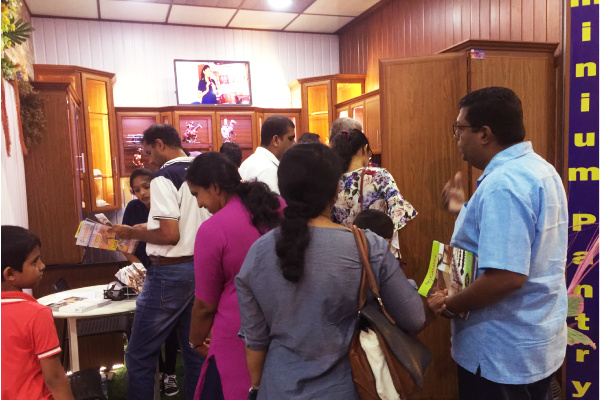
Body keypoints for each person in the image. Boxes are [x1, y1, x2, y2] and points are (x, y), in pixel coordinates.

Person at [235, 143, 426, 399]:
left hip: (278, 386)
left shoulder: (256, 254)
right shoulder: (368, 247)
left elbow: (255, 342)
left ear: (284, 190)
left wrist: (256, 389)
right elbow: (415, 317)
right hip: (349, 387)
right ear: (336, 190)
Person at [430, 87, 568, 400]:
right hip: (534, 341)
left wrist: (450, 304)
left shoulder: (503, 185)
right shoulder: (542, 170)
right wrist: (463, 209)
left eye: (459, 129)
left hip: (501, 355)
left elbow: (507, 277)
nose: (456, 137)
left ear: (484, 134)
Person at [109, 124, 211, 400]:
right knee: (195, 349)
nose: (148, 160)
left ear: (160, 144)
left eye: (148, 152)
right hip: (201, 269)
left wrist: (132, 231)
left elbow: (169, 234)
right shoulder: (202, 169)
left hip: (170, 272)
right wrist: (148, 227)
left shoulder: (164, 177)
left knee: (139, 354)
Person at [186, 152, 282, 400]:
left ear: (215, 187)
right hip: (287, 325)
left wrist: (195, 341)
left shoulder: (213, 229)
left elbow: (205, 305)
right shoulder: (280, 207)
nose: (198, 204)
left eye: (197, 194)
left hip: (238, 335)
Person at [121, 167, 180, 397]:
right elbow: (126, 245)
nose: (143, 193)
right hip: (143, 272)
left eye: (146, 186)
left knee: (172, 324)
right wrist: (140, 269)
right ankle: (159, 370)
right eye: (137, 190)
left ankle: (170, 373)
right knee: (147, 325)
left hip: (168, 270)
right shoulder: (133, 208)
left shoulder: (166, 204)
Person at [1, 225, 75, 400]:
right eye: (35, 262)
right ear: (10, 274)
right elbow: (54, 378)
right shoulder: (37, 314)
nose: (42, 266)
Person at [330, 129, 417, 255]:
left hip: (346, 253)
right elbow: (400, 210)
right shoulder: (379, 175)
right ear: (364, 149)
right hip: (378, 251)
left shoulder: (334, 181)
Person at [239, 115, 295, 194]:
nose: (293, 143)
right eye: (290, 139)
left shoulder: (246, 163)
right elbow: (275, 205)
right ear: (276, 140)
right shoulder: (269, 170)